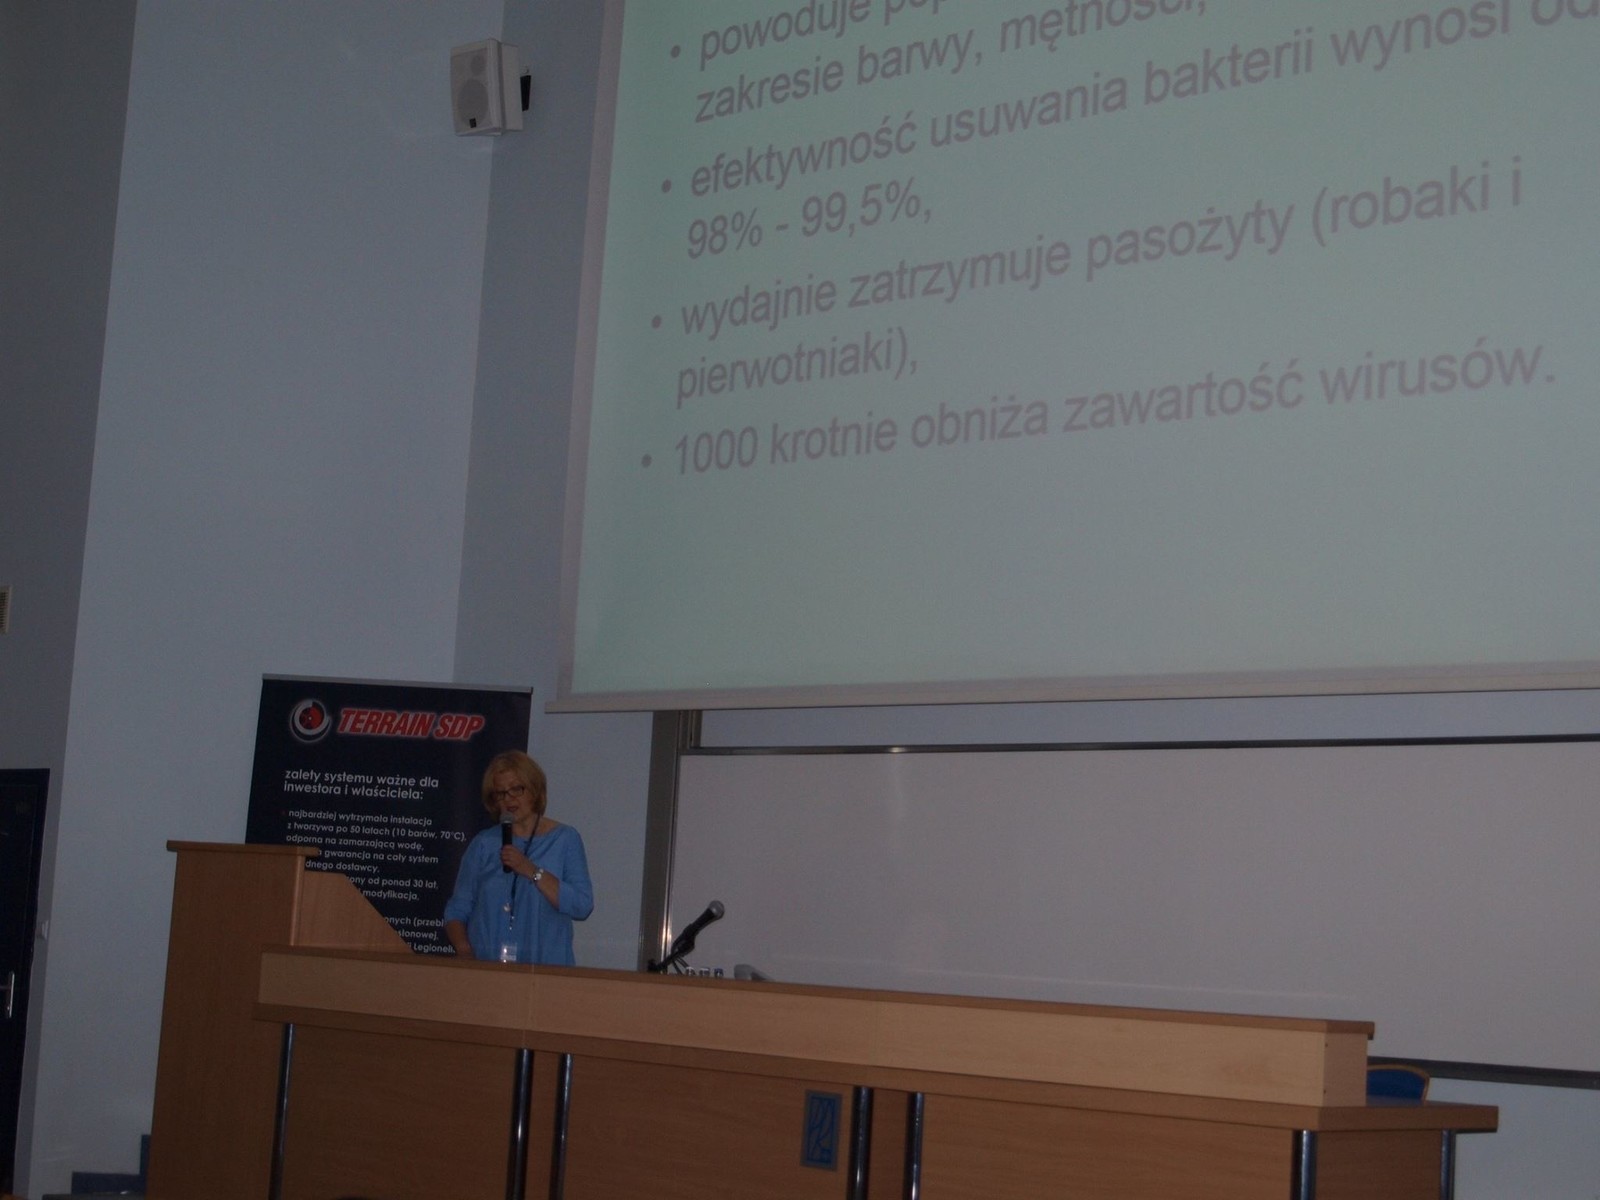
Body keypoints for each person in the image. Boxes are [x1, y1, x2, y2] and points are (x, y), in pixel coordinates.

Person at [443, 750, 593, 964]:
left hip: (546, 971)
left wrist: (531, 870)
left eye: (516, 789)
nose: (508, 799)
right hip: (487, 969)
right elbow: (457, 910)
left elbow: (582, 905)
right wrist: (464, 951)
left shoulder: (564, 839)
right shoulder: (483, 843)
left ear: (534, 790)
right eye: (500, 793)